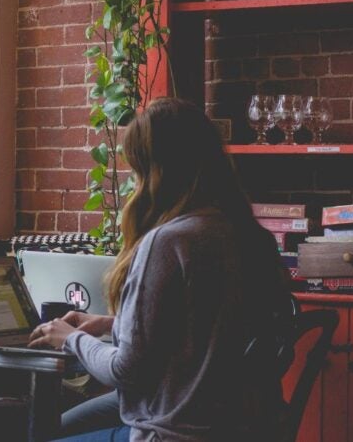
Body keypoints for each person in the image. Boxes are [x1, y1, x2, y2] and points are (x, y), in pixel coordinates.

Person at [28, 97, 293, 442]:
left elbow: (124, 370)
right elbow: (206, 328)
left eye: (137, 168)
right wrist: (110, 324)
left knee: (39, 430)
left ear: (156, 171)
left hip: (176, 428)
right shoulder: (249, 235)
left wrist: (70, 339)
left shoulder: (169, 242)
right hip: (241, 424)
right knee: (57, 426)